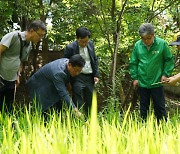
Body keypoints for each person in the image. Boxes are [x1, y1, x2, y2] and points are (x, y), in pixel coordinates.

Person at [129, 23, 174, 122]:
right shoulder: (138, 45)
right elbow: (133, 62)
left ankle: (162, 129)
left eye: (148, 38)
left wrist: (165, 74)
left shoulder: (162, 44)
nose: (146, 41)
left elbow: (169, 60)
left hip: (157, 82)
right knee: (143, 109)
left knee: (160, 108)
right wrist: (135, 78)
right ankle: (144, 130)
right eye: (143, 39)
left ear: (153, 35)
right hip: (143, 82)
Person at [0, 20, 46, 112]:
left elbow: (21, 61)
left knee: (7, 109)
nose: (40, 38)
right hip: (1, 77)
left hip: (11, 80)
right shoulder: (13, 36)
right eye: (40, 35)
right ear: (32, 31)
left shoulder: (28, 45)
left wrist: (18, 75)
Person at [64, 27, 99, 115]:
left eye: (86, 41)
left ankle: (89, 121)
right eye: (82, 42)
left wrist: (96, 75)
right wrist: (68, 81)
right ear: (77, 38)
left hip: (89, 76)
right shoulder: (70, 48)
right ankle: (78, 120)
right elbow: (66, 64)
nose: (85, 43)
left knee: (90, 99)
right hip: (77, 76)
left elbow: (94, 60)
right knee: (77, 99)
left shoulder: (90, 45)